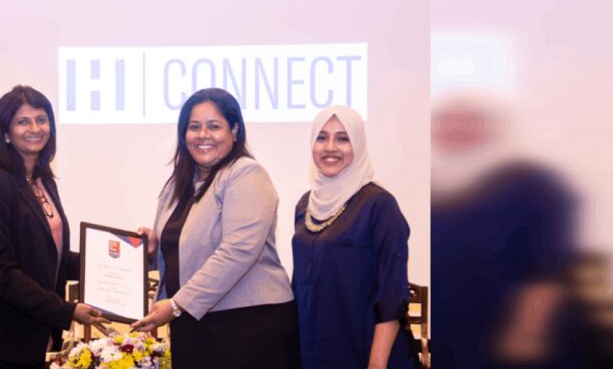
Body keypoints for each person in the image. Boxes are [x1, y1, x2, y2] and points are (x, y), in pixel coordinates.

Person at [131, 88, 299, 368]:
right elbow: (186, 248)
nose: (202, 135)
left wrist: (176, 305)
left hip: (248, 325)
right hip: (196, 322)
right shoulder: (178, 185)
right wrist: (153, 247)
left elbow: (238, 251)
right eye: (194, 127)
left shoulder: (246, 174)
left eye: (214, 126)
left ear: (234, 130)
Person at [0, 85, 107, 369]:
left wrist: (123, 257)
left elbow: (53, 257)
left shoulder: (44, 182)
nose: (35, 128)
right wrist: (66, 310)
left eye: (42, 119)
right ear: (5, 133)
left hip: (30, 332)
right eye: (23, 121)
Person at [430, 90, 580, 368]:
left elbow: (547, 272)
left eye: (469, 120)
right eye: (448, 121)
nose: (458, 129)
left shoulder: (533, 184)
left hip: (508, 340)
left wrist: (528, 335)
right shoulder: (437, 185)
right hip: (452, 333)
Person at [291, 105, 418, 368]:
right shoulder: (306, 205)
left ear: (358, 145)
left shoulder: (379, 205)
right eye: (322, 137)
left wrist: (377, 363)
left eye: (343, 138)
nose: (330, 147)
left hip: (364, 351)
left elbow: (392, 296)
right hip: (314, 350)